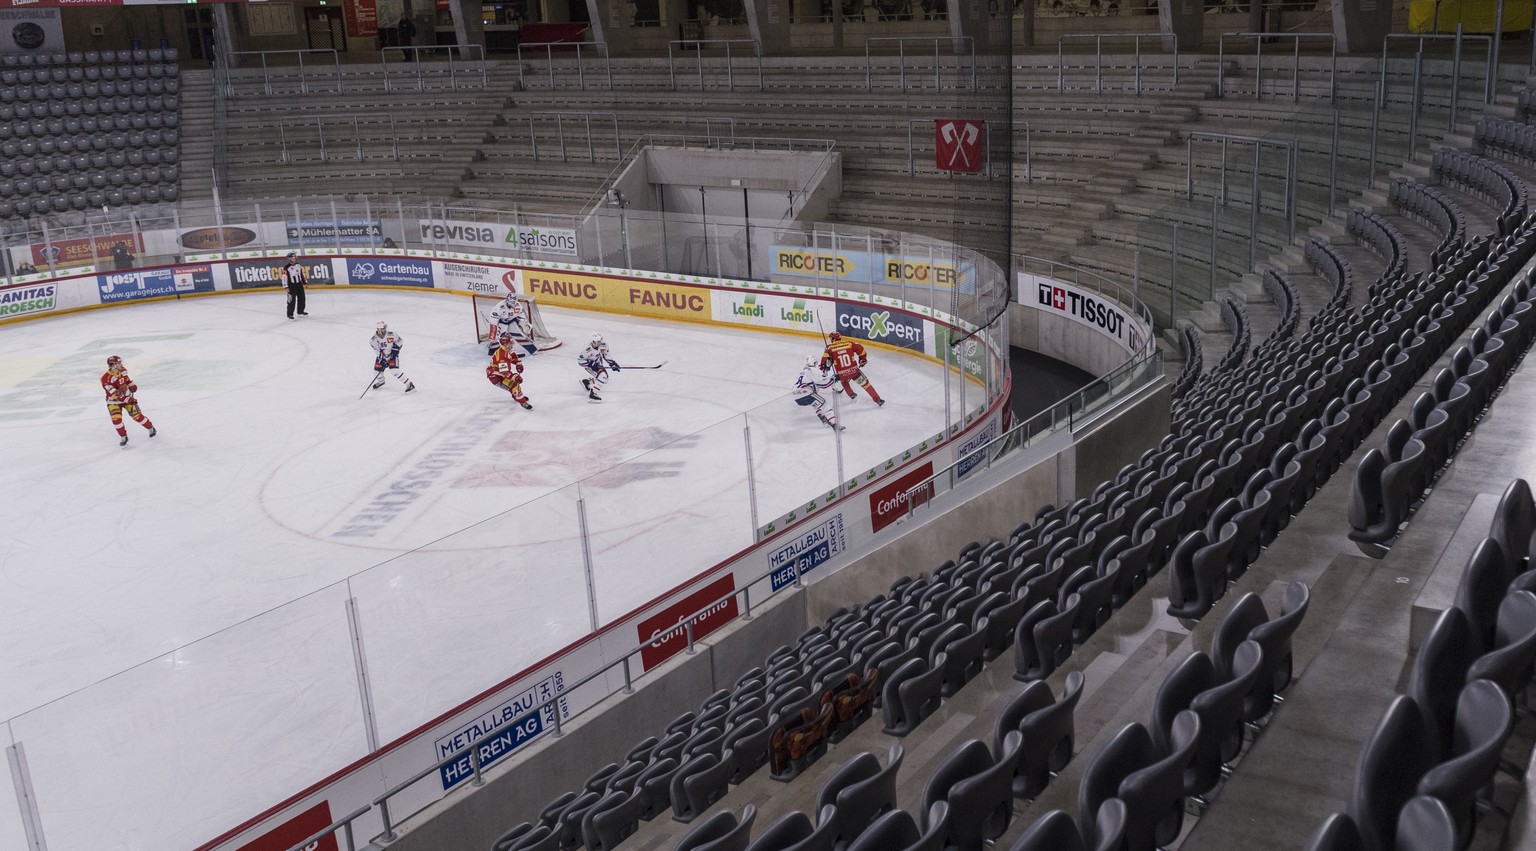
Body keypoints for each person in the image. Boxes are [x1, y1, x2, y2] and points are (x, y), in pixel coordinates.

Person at [101, 355, 157, 446]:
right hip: (114, 401)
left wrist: (131, 385)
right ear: (113, 365)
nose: (121, 364)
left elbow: (127, 380)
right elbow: (115, 394)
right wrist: (128, 399)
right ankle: (123, 436)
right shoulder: (105, 379)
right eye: (119, 363)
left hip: (127, 397)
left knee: (137, 416)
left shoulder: (123, 370)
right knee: (116, 420)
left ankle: (151, 428)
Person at [820, 331, 884, 406]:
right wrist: (862, 360)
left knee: (844, 382)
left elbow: (824, 361)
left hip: (842, 373)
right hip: (854, 371)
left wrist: (824, 369)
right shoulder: (849, 344)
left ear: (832, 339)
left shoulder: (829, 348)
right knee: (866, 385)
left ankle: (851, 395)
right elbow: (861, 350)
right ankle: (877, 399)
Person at [793, 355, 844, 430]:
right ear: (814, 362)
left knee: (817, 403)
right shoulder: (813, 370)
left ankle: (823, 419)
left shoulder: (802, 372)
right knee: (825, 405)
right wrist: (835, 378)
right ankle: (834, 424)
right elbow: (824, 384)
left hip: (796, 397)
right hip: (806, 393)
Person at [486, 333, 534, 410]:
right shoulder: (502, 355)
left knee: (513, 385)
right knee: (514, 385)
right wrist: (514, 376)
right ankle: (522, 402)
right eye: (510, 343)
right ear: (505, 344)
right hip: (496, 377)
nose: (512, 344)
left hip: (499, 374)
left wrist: (518, 364)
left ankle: (517, 396)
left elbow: (513, 357)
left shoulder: (506, 350)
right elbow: (504, 372)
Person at [370, 321, 416, 393]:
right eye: (383, 328)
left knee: (394, 371)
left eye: (385, 327)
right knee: (377, 371)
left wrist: (394, 352)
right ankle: (381, 382)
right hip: (382, 357)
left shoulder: (392, 334)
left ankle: (409, 384)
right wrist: (382, 360)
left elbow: (400, 341)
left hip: (393, 356)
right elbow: (377, 351)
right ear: (378, 329)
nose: (385, 329)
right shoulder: (373, 340)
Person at [486, 291, 536, 357]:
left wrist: (523, 324)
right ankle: (492, 352)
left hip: (512, 321)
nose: (513, 303)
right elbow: (494, 317)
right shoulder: (500, 306)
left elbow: (521, 316)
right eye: (511, 301)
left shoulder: (517, 306)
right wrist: (495, 327)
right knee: (499, 337)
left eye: (514, 301)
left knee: (519, 335)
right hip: (501, 322)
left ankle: (532, 350)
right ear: (507, 300)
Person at [578, 332, 620, 402]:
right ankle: (593, 394)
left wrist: (612, 364)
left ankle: (587, 382)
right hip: (590, 366)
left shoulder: (603, 345)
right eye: (597, 341)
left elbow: (606, 355)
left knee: (605, 379)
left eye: (600, 340)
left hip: (599, 364)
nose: (599, 343)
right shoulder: (587, 349)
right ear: (593, 341)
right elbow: (580, 361)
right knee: (602, 377)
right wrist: (591, 364)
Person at [282, 252, 308, 320]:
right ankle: (290, 314)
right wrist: (286, 287)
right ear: (289, 259)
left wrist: (305, 282)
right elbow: (284, 277)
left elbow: (301, 274)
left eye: (295, 257)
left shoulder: (298, 265)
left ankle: (300, 312)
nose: (295, 258)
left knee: (302, 298)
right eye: (293, 257)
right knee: (291, 300)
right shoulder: (286, 268)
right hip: (291, 286)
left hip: (299, 284)